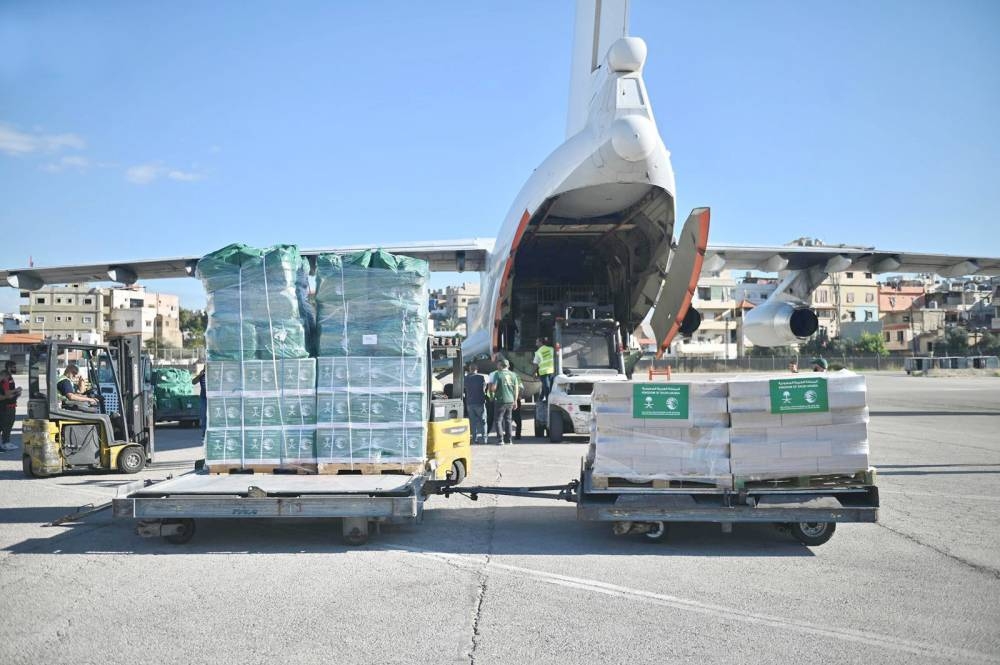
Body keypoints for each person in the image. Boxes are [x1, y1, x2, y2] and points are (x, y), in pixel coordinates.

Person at [487, 358, 520, 445]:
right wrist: (515, 401)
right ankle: (509, 440)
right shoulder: (514, 375)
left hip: (500, 400)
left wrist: (491, 388)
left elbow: (494, 388)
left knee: (498, 420)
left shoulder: (498, 374)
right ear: (508, 366)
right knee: (508, 420)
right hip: (510, 400)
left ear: (501, 366)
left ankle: (500, 439)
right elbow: (516, 389)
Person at [463, 363, 488, 444]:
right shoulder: (481, 377)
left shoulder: (466, 378)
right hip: (480, 402)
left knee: (473, 422)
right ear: (477, 369)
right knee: (483, 421)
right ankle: (484, 439)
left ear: (470, 369)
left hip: (470, 402)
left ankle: (474, 439)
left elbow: (464, 388)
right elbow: (484, 389)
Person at [0, 364, 22, 451]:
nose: (15, 368)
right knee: (6, 425)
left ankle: (6, 442)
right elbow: (6, 393)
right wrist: (16, 391)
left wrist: (16, 394)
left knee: (6, 425)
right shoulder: (5, 380)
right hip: (6, 407)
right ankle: (6, 443)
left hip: (9, 405)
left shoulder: (8, 378)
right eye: (14, 367)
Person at [533, 337, 555, 401]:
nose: (536, 344)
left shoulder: (538, 352)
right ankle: (542, 397)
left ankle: (548, 400)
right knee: (548, 386)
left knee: (546, 387)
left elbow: (535, 364)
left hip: (543, 372)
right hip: (552, 371)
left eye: (537, 342)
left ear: (541, 343)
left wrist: (534, 373)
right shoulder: (551, 349)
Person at [192, 367, 207, 433]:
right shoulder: (202, 375)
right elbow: (193, 382)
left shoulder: (213, 375)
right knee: (203, 414)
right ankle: (204, 431)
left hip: (212, 398)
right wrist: (199, 375)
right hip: (203, 398)